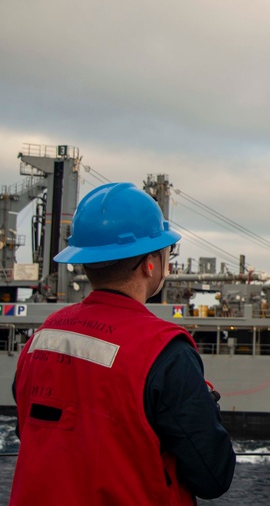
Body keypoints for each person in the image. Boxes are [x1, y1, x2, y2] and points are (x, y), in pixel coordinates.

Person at [10, 182, 235, 505]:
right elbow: (214, 476)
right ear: (150, 264)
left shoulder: (41, 339)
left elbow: (30, 430)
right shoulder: (166, 352)